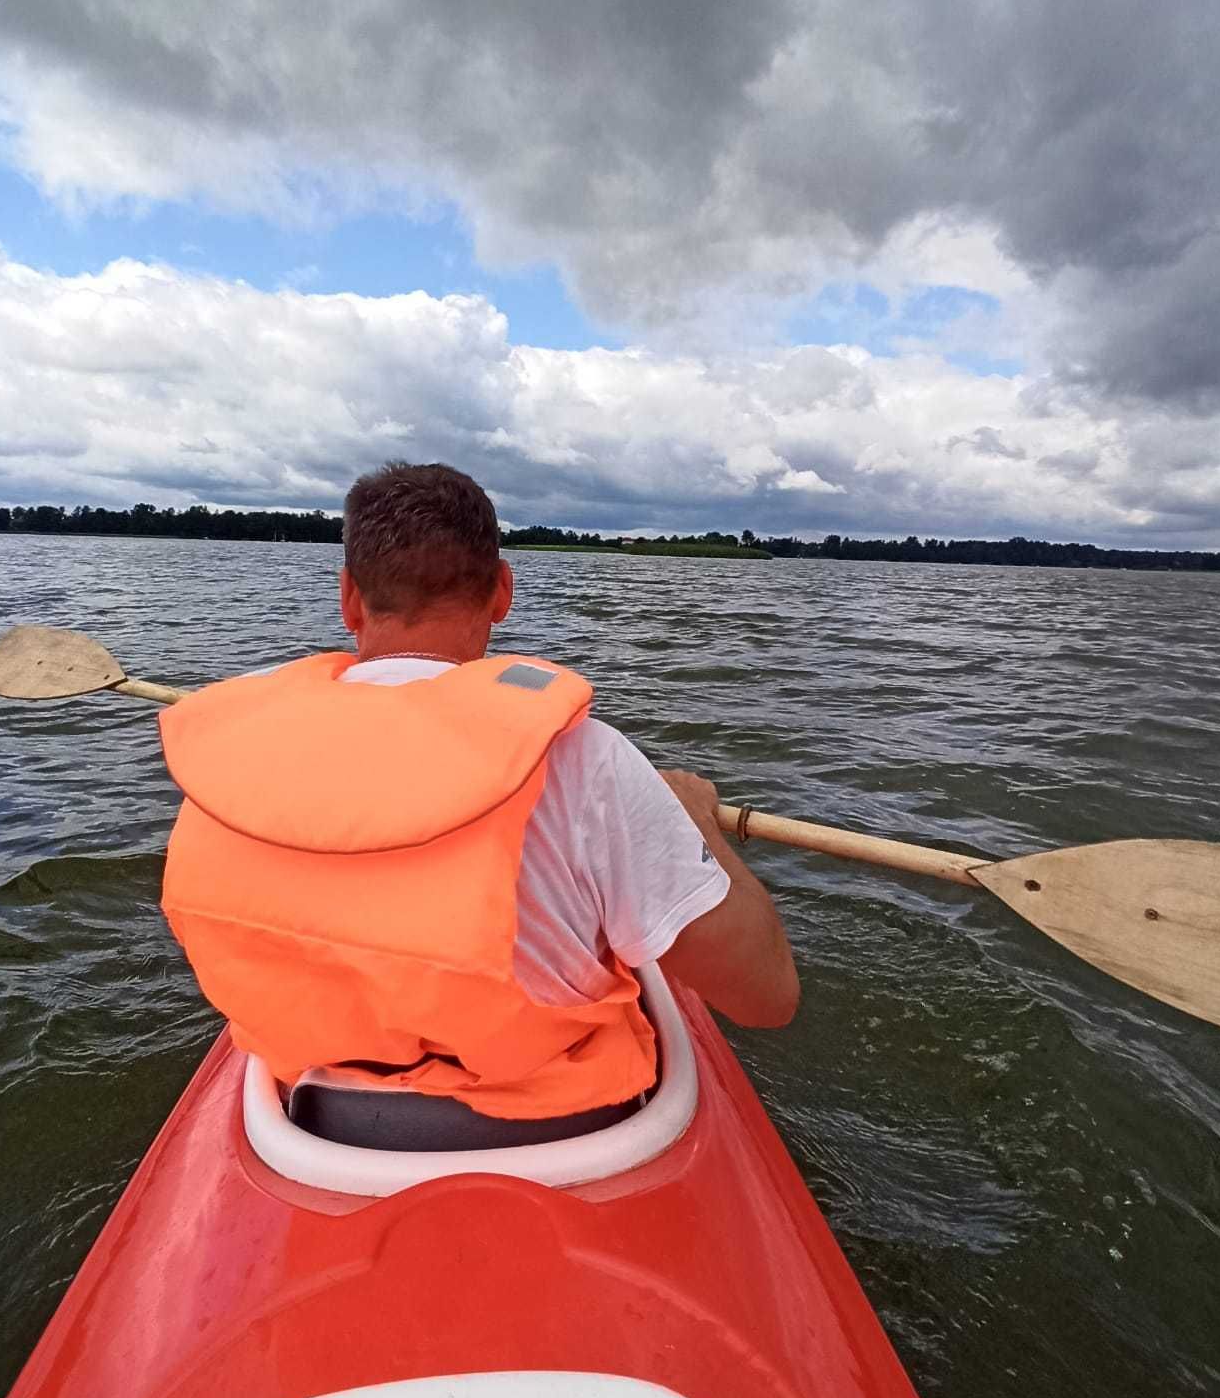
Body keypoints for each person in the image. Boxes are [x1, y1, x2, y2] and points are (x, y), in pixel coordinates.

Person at [156, 461, 799, 1134]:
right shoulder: (587, 758)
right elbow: (767, 997)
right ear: (502, 593)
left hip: (308, 1122)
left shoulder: (230, 765)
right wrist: (701, 829)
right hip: (570, 1130)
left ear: (348, 598)